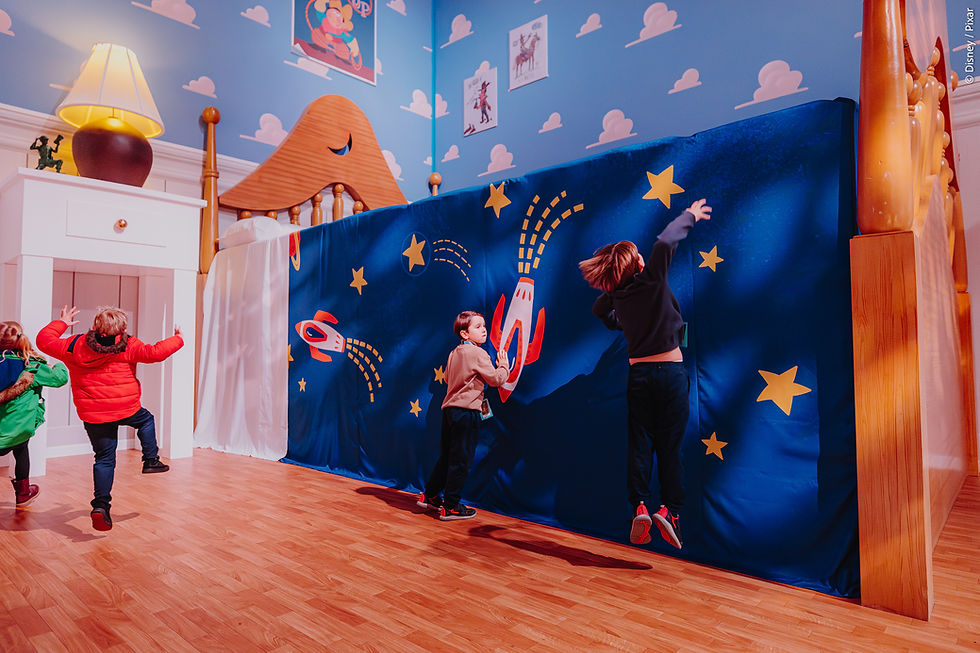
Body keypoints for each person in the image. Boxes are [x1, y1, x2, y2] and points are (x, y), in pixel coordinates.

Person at [578, 198, 713, 549]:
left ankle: (639, 505)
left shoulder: (618, 296)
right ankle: (669, 511)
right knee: (670, 446)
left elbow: (599, 309)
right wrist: (690, 215)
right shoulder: (651, 280)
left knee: (640, 444)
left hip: (639, 377)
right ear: (638, 263)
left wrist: (619, 322)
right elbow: (666, 241)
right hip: (670, 374)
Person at [36, 306, 183, 531]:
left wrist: (63, 322)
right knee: (146, 420)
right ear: (122, 328)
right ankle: (150, 460)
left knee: (104, 459)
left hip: (93, 412)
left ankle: (101, 506)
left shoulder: (74, 345)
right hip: (126, 408)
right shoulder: (129, 344)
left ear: (95, 325)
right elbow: (155, 353)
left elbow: (44, 340)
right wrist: (178, 339)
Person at [417, 311, 509, 520]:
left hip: (450, 411)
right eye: (478, 327)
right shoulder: (478, 353)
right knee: (461, 460)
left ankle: (430, 495)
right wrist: (503, 365)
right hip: (467, 413)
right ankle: (450, 506)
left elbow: (447, 379)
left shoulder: (454, 353)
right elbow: (496, 379)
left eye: (484, 325)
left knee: (447, 457)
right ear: (464, 334)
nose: (484, 330)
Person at [0, 321, 69, 508]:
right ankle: (23, 493)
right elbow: (60, 378)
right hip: (17, 430)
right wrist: (58, 364)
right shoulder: (31, 365)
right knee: (21, 450)